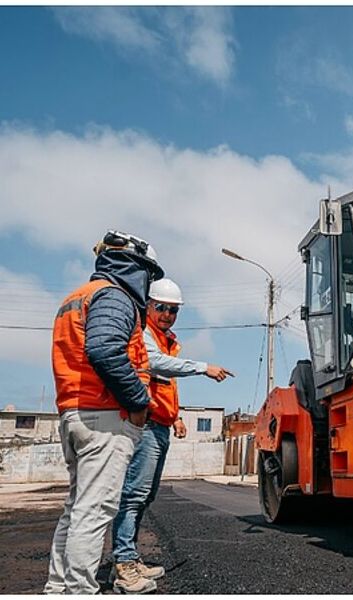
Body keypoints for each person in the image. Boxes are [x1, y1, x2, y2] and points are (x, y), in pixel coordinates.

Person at [45, 231, 164, 595]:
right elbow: (106, 351)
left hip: (76, 412)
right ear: (136, 267)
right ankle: (80, 590)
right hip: (104, 417)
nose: (147, 285)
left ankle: (58, 588)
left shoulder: (77, 297)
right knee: (93, 513)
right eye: (149, 276)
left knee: (76, 509)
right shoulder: (115, 296)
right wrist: (139, 402)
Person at [110, 277, 232, 593]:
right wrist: (202, 367)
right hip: (146, 425)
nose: (167, 314)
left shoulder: (166, 339)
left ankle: (129, 558)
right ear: (148, 306)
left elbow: (164, 383)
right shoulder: (144, 335)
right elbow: (153, 363)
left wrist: (175, 417)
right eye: (161, 307)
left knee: (145, 495)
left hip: (161, 425)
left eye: (173, 310)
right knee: (133, 494)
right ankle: (123, 565)